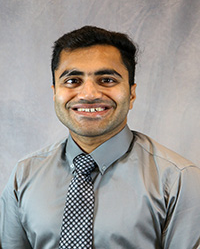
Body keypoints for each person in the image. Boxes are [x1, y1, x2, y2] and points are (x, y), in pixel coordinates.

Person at [0, 26, 200, 249]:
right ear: (55, 92)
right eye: (73, 81)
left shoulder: (178, 181)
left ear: (131, 93)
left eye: (106, 80)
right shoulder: (24, 175)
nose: (89, 94)